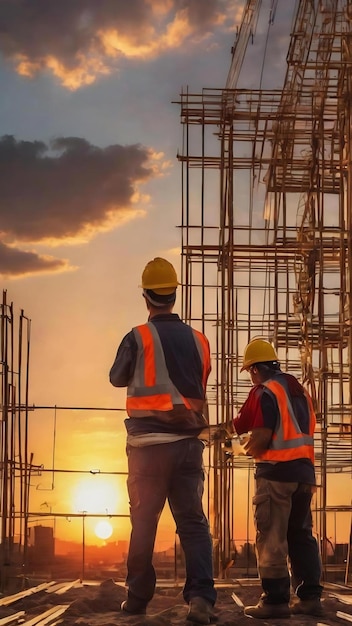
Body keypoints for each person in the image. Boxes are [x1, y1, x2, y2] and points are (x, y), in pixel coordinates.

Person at [109, 257, 216, 624]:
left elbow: (116, 378)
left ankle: (138, 597)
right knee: (192, 523)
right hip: (188, 445)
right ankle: (201, 599)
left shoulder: (138, 336)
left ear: (146, 297)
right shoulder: (201, 341)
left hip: (148, 448)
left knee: (144, 523)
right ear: (174, 294)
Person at [232, 338, 324, 619]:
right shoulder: (299, 390)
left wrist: (242, 448)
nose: (250, 377)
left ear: (256, 369)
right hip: (304, 475)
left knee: (271, 536)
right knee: (301, 536)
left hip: (276, 474)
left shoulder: (264, 391)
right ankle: (309, 598)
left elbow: (259, 437)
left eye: (250, 371)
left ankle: (274, 601)